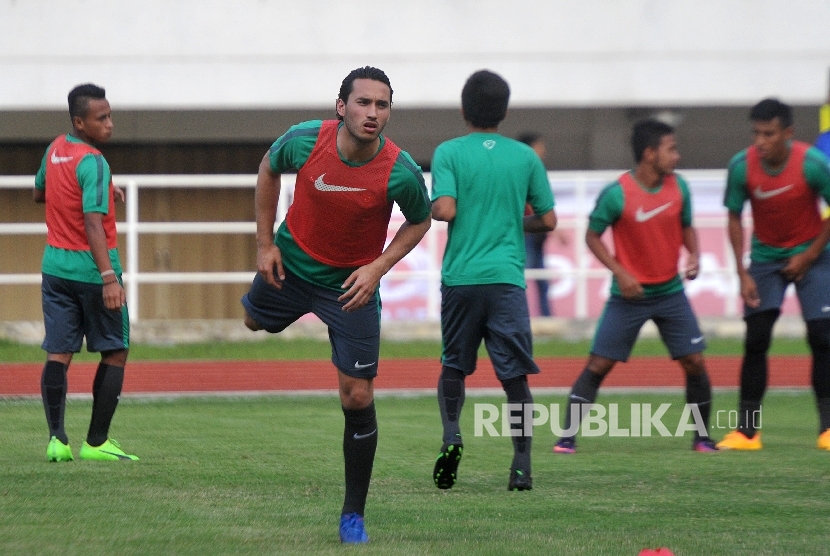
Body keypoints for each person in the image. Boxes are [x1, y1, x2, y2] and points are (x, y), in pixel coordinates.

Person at [240, 66, 431, 543]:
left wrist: (378, 268)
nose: (372, 113)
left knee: (358, 396)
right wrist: (266, 245)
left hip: (351, 287)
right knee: (251, 319)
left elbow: (420, 222)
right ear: (341, 106)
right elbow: (268, 169)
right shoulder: (305, 140)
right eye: (363, 103)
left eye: (382, 105)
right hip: (291, 269)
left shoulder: (399, 169)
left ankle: (353, 515)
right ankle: (269, 304)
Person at [552, 118, 718, 454]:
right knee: (599, 365)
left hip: (670, 293)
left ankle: (701, 438)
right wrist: (620, 272)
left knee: (695, 362)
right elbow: (592, 235)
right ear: (649, 153)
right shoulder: (617, 194)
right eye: (671, 149)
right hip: (629, 296)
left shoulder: (680, 187)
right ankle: (567, 437)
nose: (677, 156)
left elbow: (687, 226)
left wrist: (694, 255)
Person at [430, 70, 557, 492]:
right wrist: (511, 218)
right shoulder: (525, 157)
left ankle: (452, 436)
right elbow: (549, 219)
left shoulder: (448, 152)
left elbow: (445, 211)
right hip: (506, 280)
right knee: (515, 377)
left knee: (454, 366)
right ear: (504, 111)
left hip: (462, 278)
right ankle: (521, 465)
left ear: (464, 109)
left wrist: (434, 203)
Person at [718, 98, 830, 451]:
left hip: (816, 256)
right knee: (756, 340)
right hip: (765, 259)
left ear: (788, 133)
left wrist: (808, 256)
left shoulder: (813, 164)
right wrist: (742, 272)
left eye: (768, 134)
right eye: (756, 133)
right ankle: (747, 433)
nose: (760, 141)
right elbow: (734, 217)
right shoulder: (741, 167)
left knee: (823, 339)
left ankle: (827, 430)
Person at [35, 83, 138, 463]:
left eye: (110, 115)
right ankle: (96, 442)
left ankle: (57, 440)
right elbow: (93, 223)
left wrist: (103, 191)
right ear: (80, 122)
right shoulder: (94, 161)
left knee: (59, 353)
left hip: (55, 270)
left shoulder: (55, 149)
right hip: (93, 274)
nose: (110, 124)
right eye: (102, 118)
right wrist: (109, 277)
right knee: (116, 350)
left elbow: (40, 193)